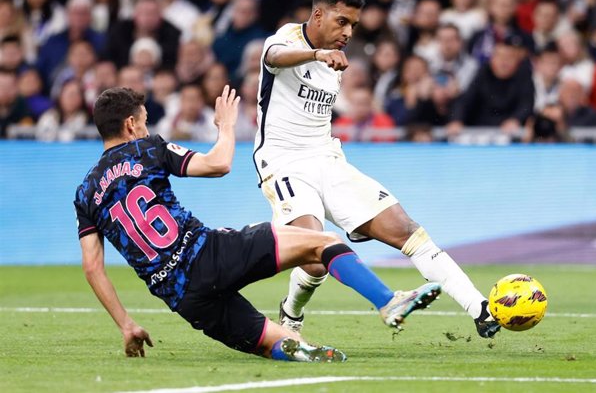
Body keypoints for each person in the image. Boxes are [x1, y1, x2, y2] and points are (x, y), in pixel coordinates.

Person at [75, 85, 441, 362]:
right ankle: (387, 301)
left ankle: (295, 349)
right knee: (322, 242)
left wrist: (126, 324)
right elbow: (218, 164)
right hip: (208, 254)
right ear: (130, 124)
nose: (145, 128)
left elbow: (93, 269)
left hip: (181, 297)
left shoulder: (85, 192)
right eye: (143, 122)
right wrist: (227, 126)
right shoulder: (146, 149)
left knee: (273, 342)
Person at [253, 0, 499, 338]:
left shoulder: (338, 60)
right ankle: (292, 312)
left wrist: (326, 57)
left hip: (327, 158)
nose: (348, 32)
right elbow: (274, 58)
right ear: (318, 14)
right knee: (314, 252)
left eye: (353, 25)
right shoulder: (286, 40)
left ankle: (481, 309)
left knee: (407, 230)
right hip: (282, 163)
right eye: (342, 22)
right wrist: (316, 55)